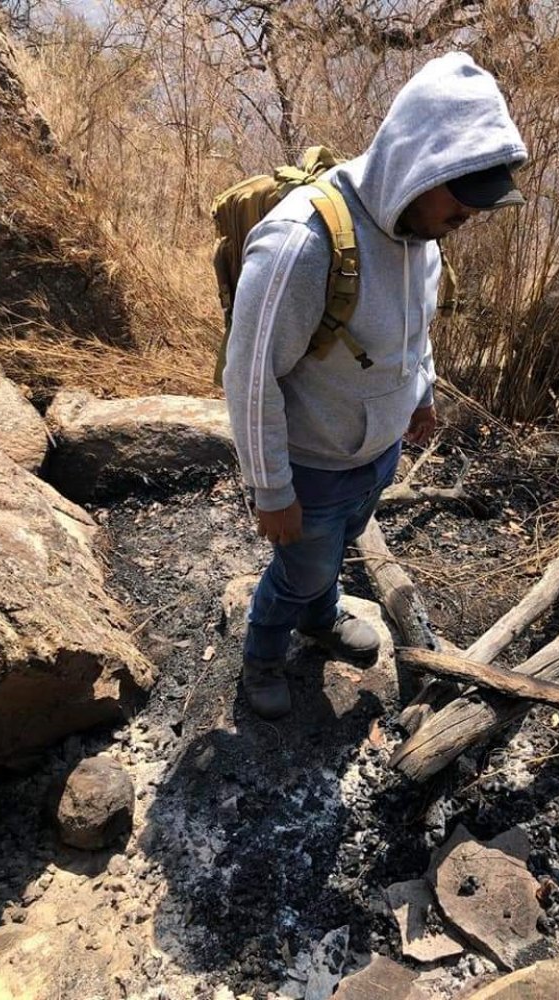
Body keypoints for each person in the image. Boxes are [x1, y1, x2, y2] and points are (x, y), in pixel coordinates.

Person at [224, 51, 527, 719]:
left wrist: (421, 395)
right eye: (462, 194)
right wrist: (272, 490)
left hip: (375, 455)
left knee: (331, 555)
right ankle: (262, 655)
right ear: (421, 164)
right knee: (297, 569)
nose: (469, 215)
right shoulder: (300, 243)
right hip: (311, 467)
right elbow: (248, 378)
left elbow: (414, 333)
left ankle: (321, 616)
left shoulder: (422, 232)